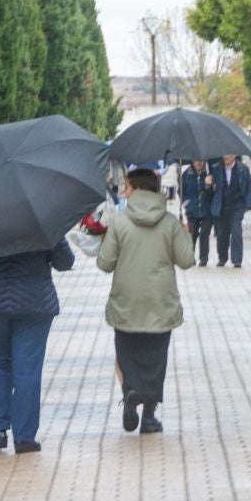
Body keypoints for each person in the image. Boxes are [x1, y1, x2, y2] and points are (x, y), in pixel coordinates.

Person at [97, 165, 194, 434]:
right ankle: (149, 415)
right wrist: (187, 234)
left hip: (125, 301)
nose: (123, 191)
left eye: (127, 186)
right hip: (160, 301)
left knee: (126, 353)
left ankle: (130, 392)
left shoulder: (119, 222)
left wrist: (105, 240)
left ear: (138, 189)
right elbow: (186, 260)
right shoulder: (170, 222)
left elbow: (105, 264)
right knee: (156, 358)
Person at [0, 237, 74, 455]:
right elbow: (65, 262)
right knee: (28, 369)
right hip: (34, 303)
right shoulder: (42, 222)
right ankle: (24, 437)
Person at [213, 153, 251, 267]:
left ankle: (237, 260)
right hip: (221, 206)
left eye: (228, 154)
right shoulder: (216, 169)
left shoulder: (242, 169)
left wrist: (248, 204)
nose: (226, 157)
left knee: (236, 232)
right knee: (222, 235)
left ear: (234, 155)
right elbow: (210, 189)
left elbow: (249, 187)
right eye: (224, 154)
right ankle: (222, 258)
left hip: (236, 206)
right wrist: (208, 184)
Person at [179, 157, 219, 265]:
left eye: (201, 160)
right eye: (197, 160)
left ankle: (204, 258)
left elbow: (215, 193)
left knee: (204, 234)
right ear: (192, 161)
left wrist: (208, 185)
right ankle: (190, 257)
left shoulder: (210, 174)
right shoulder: (186, 174)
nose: (199, 163)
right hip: (192, 211)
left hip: (207, 210)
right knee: (192, 234)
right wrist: (186, 204)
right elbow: (181, 191)